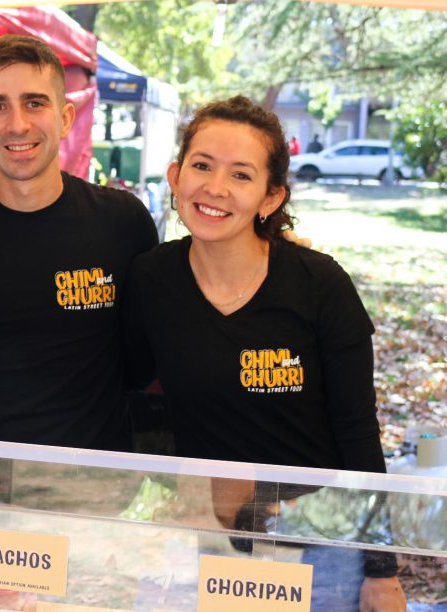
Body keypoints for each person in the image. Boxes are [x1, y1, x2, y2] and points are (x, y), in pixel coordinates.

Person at [123, 96, 405, 610]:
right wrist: (172, 488)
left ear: (271, 198)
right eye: (202, 166)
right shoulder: (151, 279)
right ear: (175, 174)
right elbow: (134, 387)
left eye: (241, 175)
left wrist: (380, 569)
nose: (215, 188)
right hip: (210, 540)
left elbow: (359, 433)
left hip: (317, 542)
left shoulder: (320, 285)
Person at [0, 35, 158, 451]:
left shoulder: (122, 222)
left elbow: (159, 342)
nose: (17, 124)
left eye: (35, 103)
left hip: (94, 485)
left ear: (64, 118)